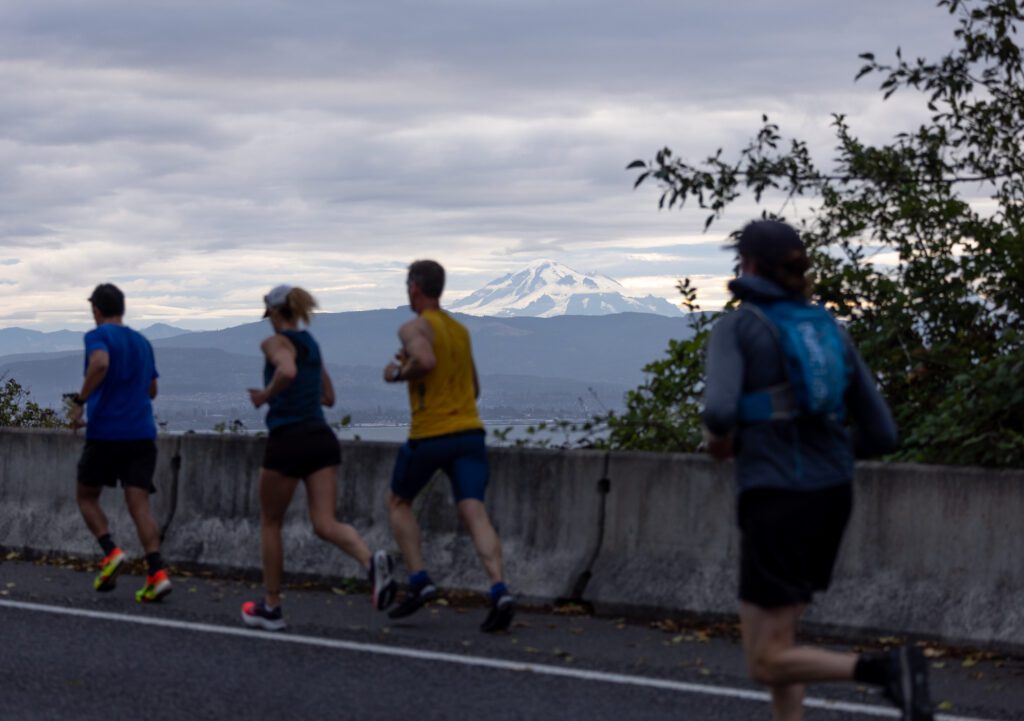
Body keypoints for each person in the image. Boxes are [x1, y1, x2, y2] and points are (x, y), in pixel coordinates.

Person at [701, 220, 933, 721]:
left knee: (764, 662)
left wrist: (722, 441)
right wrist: (829, 451)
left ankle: (885, 672)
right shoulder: (829, 328)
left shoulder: (739, 327)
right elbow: (882, 434)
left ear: (750, 265)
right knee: (781, 645)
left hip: (775, 496)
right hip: (831, 495)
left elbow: (718, 412)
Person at [241, 285, 397, 631]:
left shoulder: (275, 343)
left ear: (276, 314)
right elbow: (328, 396)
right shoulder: (312, 343)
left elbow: (288, 371)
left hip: (287, 438)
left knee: (271, 523)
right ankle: (372, 564)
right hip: (320, 437)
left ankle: (271, 606)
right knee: (325, 523)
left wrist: (266, 394)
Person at [382, 260, 515, 632]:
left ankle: (420, 579)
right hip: (470, 433)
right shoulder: (459, 330)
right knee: (474, 511)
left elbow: (424, 360)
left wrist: (398, 373)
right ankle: (499, 589)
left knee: (398, 501)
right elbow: (474, 389)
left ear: (414, 288)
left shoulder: (414, 326)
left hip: (431, 433)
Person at [71, 283, 170, 603]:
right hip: (142, 433)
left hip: (107, 433)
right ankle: (156, 573)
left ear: (96, 310)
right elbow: (152, 390)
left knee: (86, 496)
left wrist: (81, 401)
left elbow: (100, 364)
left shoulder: (97, 336)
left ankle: (110, 552)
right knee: (139, 504)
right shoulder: (142, 342)